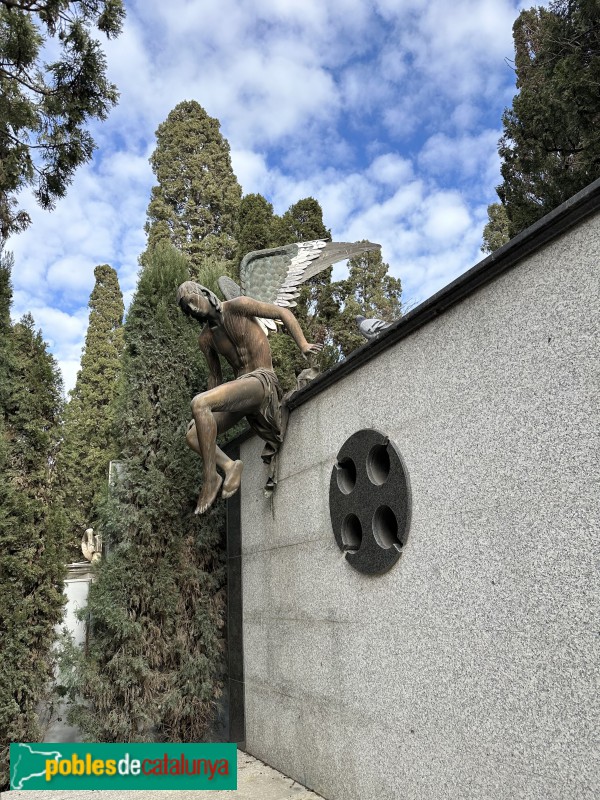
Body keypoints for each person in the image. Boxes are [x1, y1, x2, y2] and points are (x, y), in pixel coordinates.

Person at [177, 281, 322, 514]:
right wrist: (204, 413)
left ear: (204, 293)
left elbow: (282, 313)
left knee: (199, 402)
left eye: (192, 302)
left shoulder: (238, 306)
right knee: (193, 436)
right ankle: (227, 466)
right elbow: (215, 377)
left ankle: (209, 479)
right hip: (242, 392)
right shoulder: (205, 339)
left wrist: (303, 344)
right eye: (187, 310)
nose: (192, 310)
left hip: (263, 381)